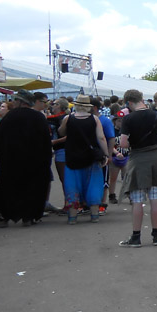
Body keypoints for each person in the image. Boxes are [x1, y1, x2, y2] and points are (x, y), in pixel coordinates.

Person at [117, 89, 157, 247]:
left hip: (138, 160)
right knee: (155, 199)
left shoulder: (128, 119)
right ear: (141, 99)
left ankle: (136, 237)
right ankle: (156, 236)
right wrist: (156, 136)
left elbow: (123, 144)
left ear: (128, 102)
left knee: (138, 201)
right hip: (156, 158)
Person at [0, 90, 53, 227]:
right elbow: (46, 140)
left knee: (8, 187)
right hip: (34, 161)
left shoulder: (9, 117)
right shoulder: (38, 118)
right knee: (32, 187)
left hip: (11, 160)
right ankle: (29, 216)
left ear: (20, 102)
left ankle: (5, 215)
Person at [58, 94, 109, 224]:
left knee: (72, 185)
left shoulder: (68, 118)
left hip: (72, 156)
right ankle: (94, 215)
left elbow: (62, 132)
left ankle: (72, 217)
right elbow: (101, 137)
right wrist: (106, 154)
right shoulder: (94, 119)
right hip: (90, 157)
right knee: (93, 184)